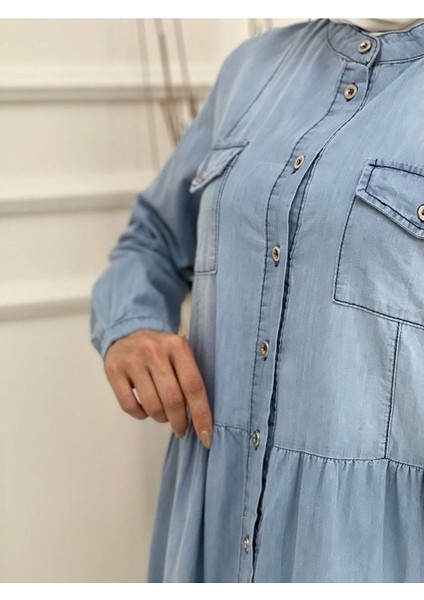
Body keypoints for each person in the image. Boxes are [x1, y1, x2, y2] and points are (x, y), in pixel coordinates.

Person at [90, 17, 424, 582]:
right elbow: (152, 238)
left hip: (364, 554)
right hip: (208, 532)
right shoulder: (252, 71)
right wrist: (131, 325)